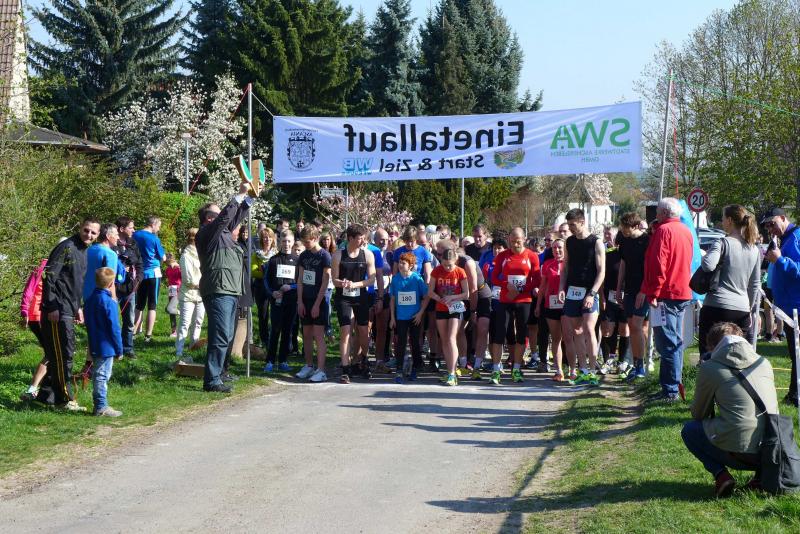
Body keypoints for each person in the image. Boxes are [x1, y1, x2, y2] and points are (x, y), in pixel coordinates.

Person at [681, 322, 778, 497]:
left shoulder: (710, 367)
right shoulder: (764, 363)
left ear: (712, 347)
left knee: (690, 430)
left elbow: (698, 414)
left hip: (740, 452)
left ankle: (721, 475)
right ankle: (761, 477)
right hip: (772, 448)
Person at [36, 217, 100, 410]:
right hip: (57, 309)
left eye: (93, 232)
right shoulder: (67, 247)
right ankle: (65, 400)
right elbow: (50, 276)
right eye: (86, 230)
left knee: (59, 354)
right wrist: (52, 306)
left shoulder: (83, 250)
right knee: (64, 354)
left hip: (69, 308)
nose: (89, 235)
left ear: (98, 235)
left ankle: (47, 396)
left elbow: (73, 283)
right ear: (80, 228)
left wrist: (77, 307)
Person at [195, 182, 253, 393]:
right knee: (220, 335)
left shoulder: (223, 234)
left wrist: (250, 198)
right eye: (217, 214)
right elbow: (225, 218)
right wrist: (239, 195)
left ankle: (218, 375)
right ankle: (211, 380)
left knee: (226, 335)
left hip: (229, 290)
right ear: (209, 218)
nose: (223, 217)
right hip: (218, 289)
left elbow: (234, 218)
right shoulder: (206, 234)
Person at [637, 197, 694, 402]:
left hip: (666, 293)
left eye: (657, 212)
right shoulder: (686, 231)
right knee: (674, 341)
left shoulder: (664, 231)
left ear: (662, 213)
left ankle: (670, 390)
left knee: (667, 343)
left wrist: (653, 293)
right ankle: (672, 386)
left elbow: (658, 264)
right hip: (681, 291)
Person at [698, 205, 760, 355]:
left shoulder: (722, 243)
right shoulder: (754, 249)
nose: (722, 221)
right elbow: (754, 285)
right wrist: (749, 309)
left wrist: (703, 255)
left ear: (730, 220)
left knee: (709, 354)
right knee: (738, 356)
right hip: (741, 309)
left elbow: (708, 265)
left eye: (723, 218)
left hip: (716, 305)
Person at [559, 209, 605, 387]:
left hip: (589, 290)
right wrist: (561, 288)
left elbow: (601, 272)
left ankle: (593, 371)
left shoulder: (596, 242)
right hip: (573, 291)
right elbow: (565, 267)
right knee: (576, 331)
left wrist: (592, 293)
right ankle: (583, 370)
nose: (570, 228)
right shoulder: (569, 242)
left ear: (582, 222)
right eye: (569, 224)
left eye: (573, 224)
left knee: (588, 329)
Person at [490, 227, 541, 385]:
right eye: (512, 241)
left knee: (521, 335)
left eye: (518, 241)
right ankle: (496, 370)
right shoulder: (503, 256)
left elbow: (537, 279)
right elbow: (494, 277)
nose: (515, 244)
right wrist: (506, 285)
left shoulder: (531, 256)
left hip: (523, 300)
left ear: (524, 239)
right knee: (500, 334)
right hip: (505, 299)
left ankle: (517, 369)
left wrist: (520, 289)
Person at [762, 207, 800, 406]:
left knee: (797, 354)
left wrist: (780, 260)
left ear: (783, 218)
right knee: (795, 353)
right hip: (787, 308)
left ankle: (795, 396)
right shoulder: (783, 239)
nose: (770, 228)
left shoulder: (796, 237)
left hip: (797, 307)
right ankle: (794, 394)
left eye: (772, 223)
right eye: (767, 226)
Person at [332, 224, 377, 383]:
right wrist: (343, 283)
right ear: (350, 238)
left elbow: (372, 279)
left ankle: (363, 360)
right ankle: (345, 368)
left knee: (363, 331)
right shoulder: (338, 255)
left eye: (364, 238)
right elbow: (334, 280)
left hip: (360, 297)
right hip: (343, 297)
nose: (363, 241)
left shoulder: (368, 255)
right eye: (359, 238)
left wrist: (355, 285)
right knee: (345, 331)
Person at [425, 245, 469, 386]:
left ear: (455, 260)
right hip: (441, 308)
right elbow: (430, 291)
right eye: (444, 265)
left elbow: (466, 294)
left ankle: (452, 373)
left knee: (451, 338)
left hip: (455, 308)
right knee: (444, 340)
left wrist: (452, 297)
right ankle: (450, 370)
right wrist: (440, 299)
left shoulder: (460, 271)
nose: (447, 268)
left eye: (450, 265)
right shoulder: (437, 271)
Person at [85, 267, 124, 417]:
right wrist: (119, 349)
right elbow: (115, 328)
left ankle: (101, 404)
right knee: (102, 375)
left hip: (94, 342)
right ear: (111, 284)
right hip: (107, 345)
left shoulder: (89, 300)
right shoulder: (109, 302)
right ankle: (101, 406)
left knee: (99, 374)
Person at [296, 226, 332, 382]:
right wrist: (300, 301)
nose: (305, 244)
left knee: (318, 335)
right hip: (305, 299)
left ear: (315, 238)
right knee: (306, 334)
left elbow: (325, 281)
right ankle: (309, 365)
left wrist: (317, 304)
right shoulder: (303, 255)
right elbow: (300, 279)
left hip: (319, 300)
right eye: (303, 242)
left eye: (307, 242)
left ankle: (321, 370)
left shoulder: (325, 256)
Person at [617, 212, 649, 380]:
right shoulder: (624, 241)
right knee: (631, 326)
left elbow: (650, 268)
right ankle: (635, 365)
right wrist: (618, 288)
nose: (622, 229)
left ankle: (641, 366)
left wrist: (643, 291)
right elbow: (623, 265)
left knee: (637, 326)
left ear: (635, 226)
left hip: (643, 290)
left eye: (625, 227)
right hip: (628, 289)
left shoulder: (647, 241)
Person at [389, 252, 428, 383]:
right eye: (400, 262)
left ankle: (416, 367)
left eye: (404, 263)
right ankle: (399, 369)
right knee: (401, 342)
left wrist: (420, 313)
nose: (400, 265)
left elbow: (426, 297)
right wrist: (392, 317)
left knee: (415, 342)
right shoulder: (395, 279)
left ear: (410, 266)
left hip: (415, 316)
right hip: (401, 317)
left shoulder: (417, 279)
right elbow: (392, 299)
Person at [536, 238, 571, 381]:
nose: (557, 250)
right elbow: (543, 286)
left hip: (567, 305)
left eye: (560, 247)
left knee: (568, 338)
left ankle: (571, 368)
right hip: (551, 305)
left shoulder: (570, 264)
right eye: (554, 248)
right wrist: (538, 305)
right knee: (556, 338)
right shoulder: (547, 264)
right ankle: (558, 370)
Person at [264, 230, 299, 373]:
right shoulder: (273, 260)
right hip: (277, 301)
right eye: (284, 241)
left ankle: (283, 360)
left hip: (292, 301)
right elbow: (266, 281)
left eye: (289, 241)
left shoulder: (298, 261)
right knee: (275, 330)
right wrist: (272, 293)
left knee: (287, 331)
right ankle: (270, 361)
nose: (286, 244)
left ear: (293, 242)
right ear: (280, 242)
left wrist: (291, 287)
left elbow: (301, 282)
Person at [19, 258, 49, 402]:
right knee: (51, 353)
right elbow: (29, 288)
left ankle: (42, 389)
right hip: (39, 316)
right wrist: (24, 310)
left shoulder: (59, 265)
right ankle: (32, 389)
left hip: (39, 316)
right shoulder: (43, 265)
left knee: (51, 353)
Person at [599, 231, 629, 375]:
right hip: (609, 297)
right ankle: (608, 360)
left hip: (626, 298)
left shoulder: (630, 256)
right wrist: (602, 297)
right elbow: (601, 277)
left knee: (624, 330)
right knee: (607, 330)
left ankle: (622, 361)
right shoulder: (608, 255)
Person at [133, 216, 166, 342]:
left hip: (140, 273)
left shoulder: (135, 234)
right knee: (152, 305)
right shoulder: (154, 238)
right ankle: (148, 336)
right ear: (153, 224)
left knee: (139, 304)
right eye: (159, 226)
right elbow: (163, 257)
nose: (159, 229)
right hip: (153, 274)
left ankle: (134, 332)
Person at [113, 216, 142, 359]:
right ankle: (114, 348)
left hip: (130, 288)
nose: (133, 230)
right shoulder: (112, 244)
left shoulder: (133, 243)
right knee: (113, 319)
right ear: (121, 229)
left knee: (129, 320)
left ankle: (128, 348)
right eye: (131, 227)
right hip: (114, 288)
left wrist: (139, 278)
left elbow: (139, 262)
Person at [175, 228, 204, 361]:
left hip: (201, 294)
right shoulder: (185, 256)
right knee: (185, 323)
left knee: (198, 322)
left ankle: (193, 348)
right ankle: (179, 351)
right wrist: (203, 284)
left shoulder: (202, 253)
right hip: (188, 295)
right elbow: (188, 279)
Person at [83, 223, 124, 302]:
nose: (118, 237)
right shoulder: (110, 254)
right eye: (116, 234)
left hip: (86, 296)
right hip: (102, 299)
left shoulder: (89, 249)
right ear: (108, 236)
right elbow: (110, 281)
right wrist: (114, 301)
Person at [372, 228, 393, 373]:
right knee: (365, 328)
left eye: (386, 239)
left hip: (385, 294)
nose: (384, 242)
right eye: (381, 239)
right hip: (370, 293)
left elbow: (394, 272)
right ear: (374, 240)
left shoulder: (390, 255)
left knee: (382, 328)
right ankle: (360, 360)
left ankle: (380, 360)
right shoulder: (369, 252)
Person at [251, 227, 276, 351]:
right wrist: (267, 272)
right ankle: (264, 340)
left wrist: (264, 270)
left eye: (269, 237)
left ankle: (274, 339)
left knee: (275, 314)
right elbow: (254, 272)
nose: (267, 239)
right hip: (260, 287)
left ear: (273, 239)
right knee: (263, 315)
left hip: (274, 287)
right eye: (265, 237)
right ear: (261, 239)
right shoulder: (256, 254)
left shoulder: (276, 254)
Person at [164, 253, 181, 338]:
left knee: (169, 309)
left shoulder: (179, 268)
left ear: (170, 259)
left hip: (178, 291)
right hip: (171, 291)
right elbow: (169, 280)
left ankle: (181, 313)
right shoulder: (168, 269)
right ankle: (174, 332)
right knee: (170, 312)